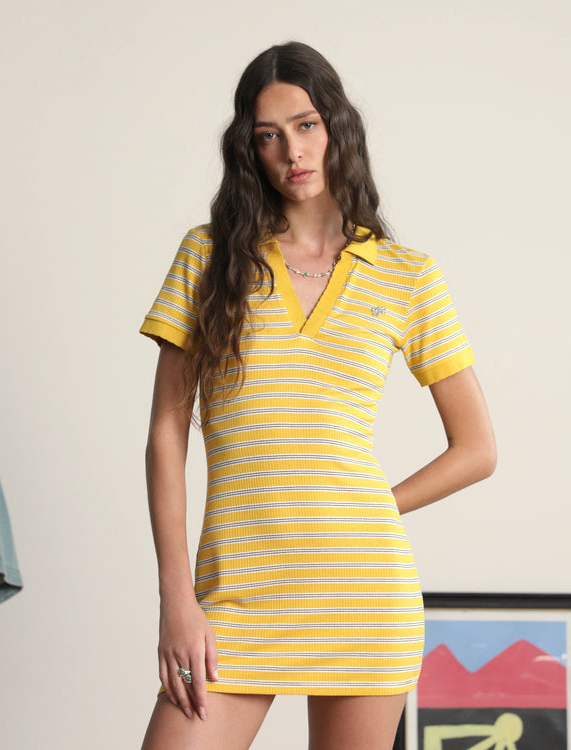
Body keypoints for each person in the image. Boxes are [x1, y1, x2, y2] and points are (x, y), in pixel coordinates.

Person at [138, 41, 496, 750]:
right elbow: (165, 437)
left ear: (337, 127)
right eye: (268, 135)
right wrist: (175, 597)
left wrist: (367, 506)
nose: (292, 151)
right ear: (249, 150)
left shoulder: (407, 276)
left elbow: (477, 449)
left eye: (306, 125)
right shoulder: (209, 256)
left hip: (363, 597)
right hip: (235, 594)